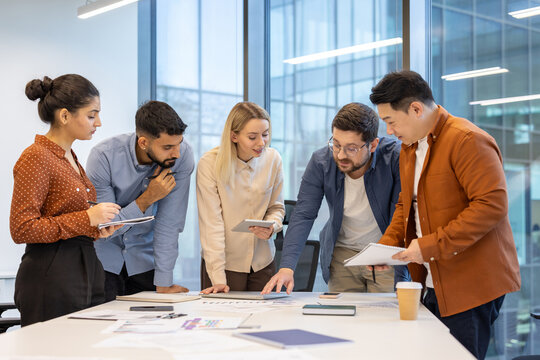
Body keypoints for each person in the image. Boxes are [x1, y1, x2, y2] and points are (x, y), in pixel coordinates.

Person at [369, 70, 521, 360]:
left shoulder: (467, 140)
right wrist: (386, 248)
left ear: (415, 109)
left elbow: (491, 205)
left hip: (470, 283)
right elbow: (407, 204)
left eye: (391, 121)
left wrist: (427, 246)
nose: (389, 131)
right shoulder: (410, 147)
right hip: (431, 278)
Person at [262, 102, 409, 295]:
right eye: (336, 144)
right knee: (342, 320)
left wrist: (389, 250)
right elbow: (304, 214)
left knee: (385, 318)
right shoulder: (321, 161)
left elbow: (405, 211)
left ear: (372, 145)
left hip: (384, 253)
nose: (340, 155)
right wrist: (287, 267)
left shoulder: (396, 157)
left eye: (351, 148)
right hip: (342, 255)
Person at [11, 74, 122, 326]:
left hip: (86, 268)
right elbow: (22, 228)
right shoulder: (36, 157)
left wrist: (96, 228)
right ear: (64, 116)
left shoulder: (69, 157)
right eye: (92, 115)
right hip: (51, 274)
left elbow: (66, 219)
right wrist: (86, 218)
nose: (99, 123)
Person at [86, 100, 194, 301]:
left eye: (178, 144)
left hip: (146, 261)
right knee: (101, 329)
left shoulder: (182, 156)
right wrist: (147, 199)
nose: (176, 153)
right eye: (168, 147)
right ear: (143, 142)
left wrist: (164, 281)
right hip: (104, 262)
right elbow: (105, 228)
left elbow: (170, 223)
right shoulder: (103, 157)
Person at [197, 101, 285, 293]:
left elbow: (277, 208)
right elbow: (211, 224)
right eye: (252, 137)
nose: (261, 143)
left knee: (267, 320)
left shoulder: (273, 159)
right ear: (234, 136)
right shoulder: (209, 164)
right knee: (224, 320)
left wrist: (272, 226)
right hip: (225, 265)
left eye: (265, 134)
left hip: (263, 264)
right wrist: (218, 278)